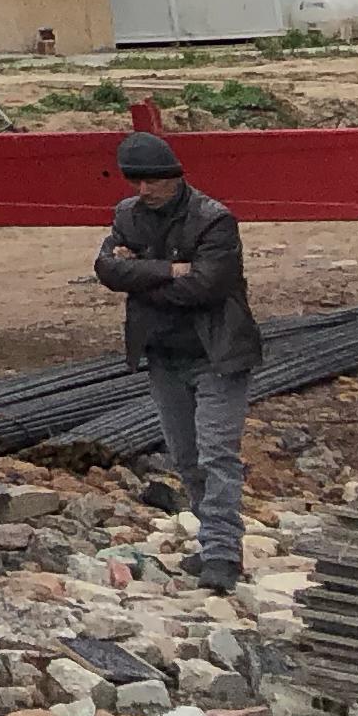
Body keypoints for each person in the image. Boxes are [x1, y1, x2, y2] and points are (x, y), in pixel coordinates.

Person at [93, 131, 261, 590]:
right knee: (187, 458)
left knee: (217, 455)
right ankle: (213, 547)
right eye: (135, 182)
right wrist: (169, 268)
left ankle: (223, 556)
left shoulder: (214, 219)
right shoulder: (127, 216)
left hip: (218, 354)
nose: (143, 191)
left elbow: (207, 286)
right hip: (163, 354)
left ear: (174, 177)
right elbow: (107, 270)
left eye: (151, 182)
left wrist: (140, 276)